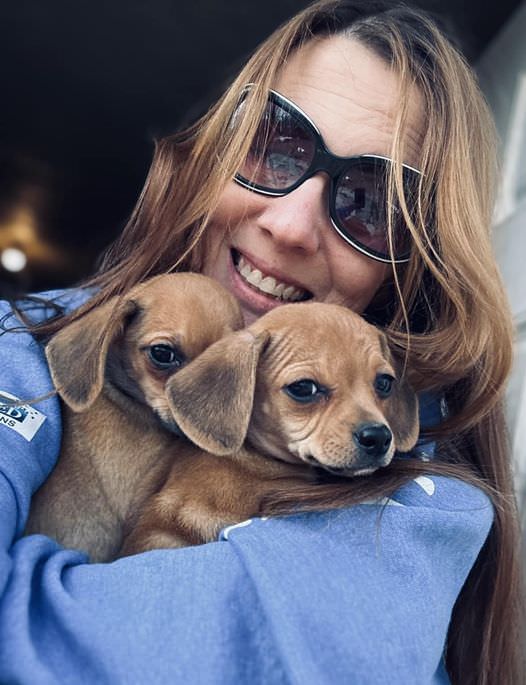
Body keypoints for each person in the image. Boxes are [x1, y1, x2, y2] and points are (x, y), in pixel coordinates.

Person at [0, 1, 523, 683]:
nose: (292, 224)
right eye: (276, 144)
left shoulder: (420, 496)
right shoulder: (30, 336)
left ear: (415, 265)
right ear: (215, 150)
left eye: (372, 202)